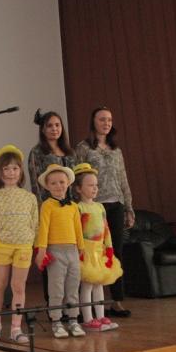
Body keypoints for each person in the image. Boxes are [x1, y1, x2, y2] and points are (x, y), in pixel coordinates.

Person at [74, 106, 134, 318]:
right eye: (102, 119)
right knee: (90, 254)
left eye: (109, 119)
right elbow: (77, 178)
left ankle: (116, 301)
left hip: (116, 204)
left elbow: (123, 178)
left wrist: (129, 207)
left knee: (114, 252)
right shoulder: (83, 148)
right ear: (93, 122)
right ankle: (87, 305)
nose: (106, 123)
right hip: (92, 207)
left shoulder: (116, 150)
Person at [0, 145, 38, 344]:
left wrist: (39, 247)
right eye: (6, 169)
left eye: (15, 168)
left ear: (21, 171)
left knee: (18, 286)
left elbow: (35, 224)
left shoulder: (30, 197)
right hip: (2, 245)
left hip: (24, 246)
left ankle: (16, 328)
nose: (11, 173)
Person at [27, 109, 76, 308]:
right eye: (49, 125)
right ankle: (54, 306)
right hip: (49, 211)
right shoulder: (37, 152)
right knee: (52, 260)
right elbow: (36, 184)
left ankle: (72, 306)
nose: (54, 129)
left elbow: (76, 182)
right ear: (42, 129)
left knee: (71, 263)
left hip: (70, 211)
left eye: (57, 125)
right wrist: (42, 210)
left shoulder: (70, 152)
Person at [33, 164, 86, 339]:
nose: (58, 186)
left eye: (62, 182)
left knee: (73, 287)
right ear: (47, 186)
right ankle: (56, 321)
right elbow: (43, 229)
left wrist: (81, 248)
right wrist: (41, 250)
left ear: (68, 183)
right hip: (55, 251)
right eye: (53, 183)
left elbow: (78, 228)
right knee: (56, 288)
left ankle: (73, 320)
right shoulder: (47, 205)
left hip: (73, 251)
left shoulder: (73, 206)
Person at [72, 163, 123, 331]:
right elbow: (77, 231)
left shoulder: (100, 207)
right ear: (78, 188)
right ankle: (88, 318)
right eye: (90, 185)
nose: (95, 188)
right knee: (87, 285)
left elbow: (106, 228)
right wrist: (79, 249)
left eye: (96, 185)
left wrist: (109, 248)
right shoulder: (78, 207)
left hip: (99, 251)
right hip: (86, 251)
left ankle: (100, 316)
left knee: (99, 284)